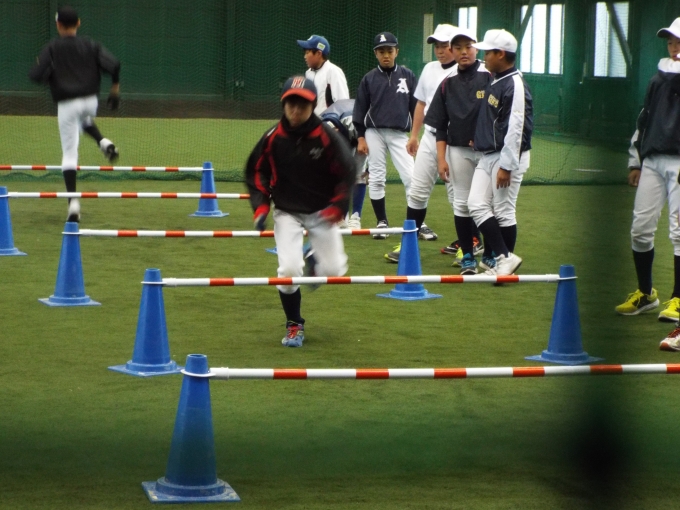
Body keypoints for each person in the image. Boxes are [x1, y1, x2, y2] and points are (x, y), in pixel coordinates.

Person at [245, 76, 355, 348]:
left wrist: (338, 206)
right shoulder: (272, 138)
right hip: (287, 212)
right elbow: (256, 171)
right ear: (283, 104)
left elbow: (346, 173)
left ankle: (313, 257)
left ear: (313, 106)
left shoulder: (327, 137)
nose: (296, 110)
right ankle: (294, 323)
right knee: (288, 270)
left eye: (302, 105)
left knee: (335, 269)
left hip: (321, 211)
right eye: (291, 104)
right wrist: (261, 206)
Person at [614, 18, 680, 350]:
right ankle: (646, 293)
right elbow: (644, 119)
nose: (674, 48)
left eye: (679, 42)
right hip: (652, 160)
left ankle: (678, 299)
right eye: (670, 42)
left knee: (679, 232)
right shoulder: (657, 78)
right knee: (640, 229)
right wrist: (635, 160)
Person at [28, 5, 120, 223]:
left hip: (67, 103)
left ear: (58, 25)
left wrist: (48, 74)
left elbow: (36, 75)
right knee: (84, 120)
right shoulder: (91, 44)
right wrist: (115, 90)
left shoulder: (52, 47)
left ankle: (73, 204)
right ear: (78, 23)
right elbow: (114, 64)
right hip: (90, 101)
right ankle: (104, 142)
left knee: (69, 153)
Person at [422, 29, 494, 275]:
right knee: (462, 204)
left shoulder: (490, 76)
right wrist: (441, 159)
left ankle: (491, 255)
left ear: (477, 48)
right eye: (458, 47)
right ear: (452, 51)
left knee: (487, 204)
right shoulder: (447, 82)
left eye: (468, 46)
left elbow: (500, 116)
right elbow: (440, 125)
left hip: (487, 153)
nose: (464, 52)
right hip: (457, 151)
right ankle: (467, 257)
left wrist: (486, 139)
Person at [383, 24, 456, 262]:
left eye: (444, 45)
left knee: (459, 198)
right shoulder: (429, 69)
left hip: (455, 143)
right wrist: (414, 135)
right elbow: (421, 104)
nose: (440, 50)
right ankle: (408, 244)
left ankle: (470, 243)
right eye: (437, 46)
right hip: (430, 138)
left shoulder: (464, 71)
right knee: (417, 192)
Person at [467, 29, 532, 276]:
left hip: (507, 157)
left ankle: (504, 262)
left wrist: (507, 165)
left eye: (488, 52)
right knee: (476, 204)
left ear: (501, 54)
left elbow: (517, 128)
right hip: (488, 155)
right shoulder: (496, 79)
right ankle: (504, 258)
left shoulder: (514, 83)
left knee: (504, 211)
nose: (484, 56)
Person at [353, 32, 417, 239]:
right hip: (374, 132)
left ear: (397, 51)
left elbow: (416, 108)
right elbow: (360, 110)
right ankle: (381, 222)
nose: (386, 55)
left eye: (389, 50)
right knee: (377, 177)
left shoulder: (408, 75)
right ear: (376, 54)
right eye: (381, 51)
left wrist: (415, 135)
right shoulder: (369, 79)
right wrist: (360, 137)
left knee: (411, 177)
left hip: (399, 134)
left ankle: (416, 223)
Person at [319, 98, 367, 228]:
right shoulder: (318, 126)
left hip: (362, 132)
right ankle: (340, 216)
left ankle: (355, 217)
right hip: (345, 128)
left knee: (359, 173)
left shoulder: (353, 121)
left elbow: (372, 139)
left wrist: (371, 168)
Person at [297, 35, 350, 116]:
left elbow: (343, 103)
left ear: (318, 53)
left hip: (328, 121)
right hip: (312, 121)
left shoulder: (333, 71)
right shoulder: (308, 73)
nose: (305, 56)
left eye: (307, 53)